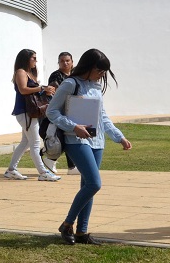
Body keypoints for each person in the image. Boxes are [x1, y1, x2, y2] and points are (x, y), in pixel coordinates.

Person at [47, 49, 132, 245]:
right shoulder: (70, 84)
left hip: (97, 140)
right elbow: (52, 112)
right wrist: (73, 127)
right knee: (94, 183)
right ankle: (67, 224)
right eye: (100, 71)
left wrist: (119, 137)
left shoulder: (94, 87)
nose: (102, 76)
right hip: (76, 140)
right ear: (90, 67)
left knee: (88, 187)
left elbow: (102, 117)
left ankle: (82, 232)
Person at [4, 49, 59, 182]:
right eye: (33, 58)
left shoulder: (30, 73)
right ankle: (43, 172)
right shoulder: (21, 72)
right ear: (26, 59)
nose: (36, 60)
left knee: (26, 142)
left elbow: (31, 93)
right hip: (25, 112)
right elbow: (23, 90)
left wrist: (45, 91)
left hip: (29, 112)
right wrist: (42, 88)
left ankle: (11, 169)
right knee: (35, 143)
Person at [47, 51, 78, 174]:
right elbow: (55, 94)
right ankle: (50, 159)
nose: (65, 63)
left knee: (68, 137)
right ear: (58, 63)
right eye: (62, 61)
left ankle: (70, 166)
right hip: (60, 111)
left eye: (67, 60)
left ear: (72, 62)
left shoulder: (75, 74)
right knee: (61, 138)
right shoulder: (56, 76)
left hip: (72, 109)